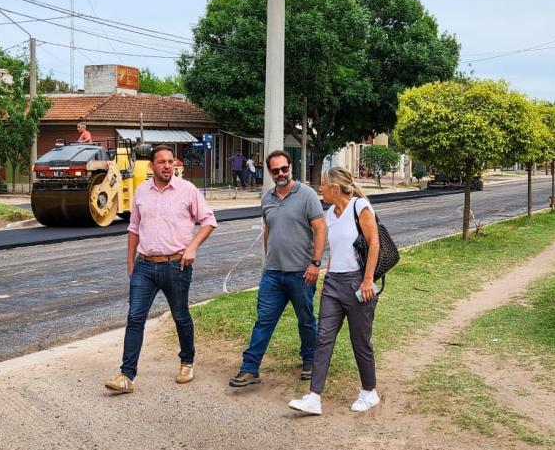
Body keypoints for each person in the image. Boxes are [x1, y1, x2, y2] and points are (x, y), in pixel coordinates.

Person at [105, 145, 218, 394]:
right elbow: (134, 227)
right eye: (162, 162)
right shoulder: (141, 192)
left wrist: (192, 248)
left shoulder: (187, 190)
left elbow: (209, 221)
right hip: (145, 266)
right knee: (135, 317)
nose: (167, 166)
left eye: (170, 162)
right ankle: (126, 375)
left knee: (180, 316)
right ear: (152, 166)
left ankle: (187, 361)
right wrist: (131, 262)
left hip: (176, 265)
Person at [288, 166, 382, 415]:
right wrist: (327, 276)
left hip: (357, 283)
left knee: (360, 341)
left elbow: (374, 244)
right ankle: (314, 397)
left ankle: (369, 392)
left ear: (334, 188)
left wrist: (367, 279)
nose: (320, 189)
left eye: (323, 185)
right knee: (323, 339)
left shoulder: (360, 207)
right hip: (333, 284)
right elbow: (336, 250)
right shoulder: (330, 213)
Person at [229, 150, 326, 388]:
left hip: (301, 272)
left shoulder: (307, 195)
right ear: (269, 172)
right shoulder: (268, 199)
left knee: (305, 320)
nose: (280, 173)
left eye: (284, 169)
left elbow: (320, 229)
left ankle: (310, 361)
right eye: (275, 170)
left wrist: (315, 263)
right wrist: (267, 262)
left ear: (290, 167)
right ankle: (250, 368)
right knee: (263, 321)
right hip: (273, 274)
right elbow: (268, 231)